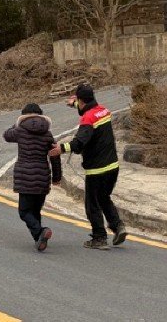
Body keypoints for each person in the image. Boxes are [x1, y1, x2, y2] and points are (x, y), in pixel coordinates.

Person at [49, 84, 127, 249]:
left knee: (92, 204)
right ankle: (118, 226)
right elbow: (88, 108)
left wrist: (61, 148)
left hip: (97, 170)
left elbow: (79, 143)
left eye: (78, 101)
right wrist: (74, 104)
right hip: (113, 166)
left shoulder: (88, 119)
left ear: (81, 100)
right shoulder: (103, 111)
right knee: (104, 197)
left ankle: (99, 238)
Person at [3, 103, 62, 251]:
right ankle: (40, 239)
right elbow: (55, 156)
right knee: (35, 211)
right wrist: (56, 177)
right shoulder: (47, 133)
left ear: (23, 116)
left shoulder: (20, 130)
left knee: (24, 212)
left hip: (25, 177)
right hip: (42, 176)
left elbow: (6, 135)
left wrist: (17, 123)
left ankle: (41, 232)